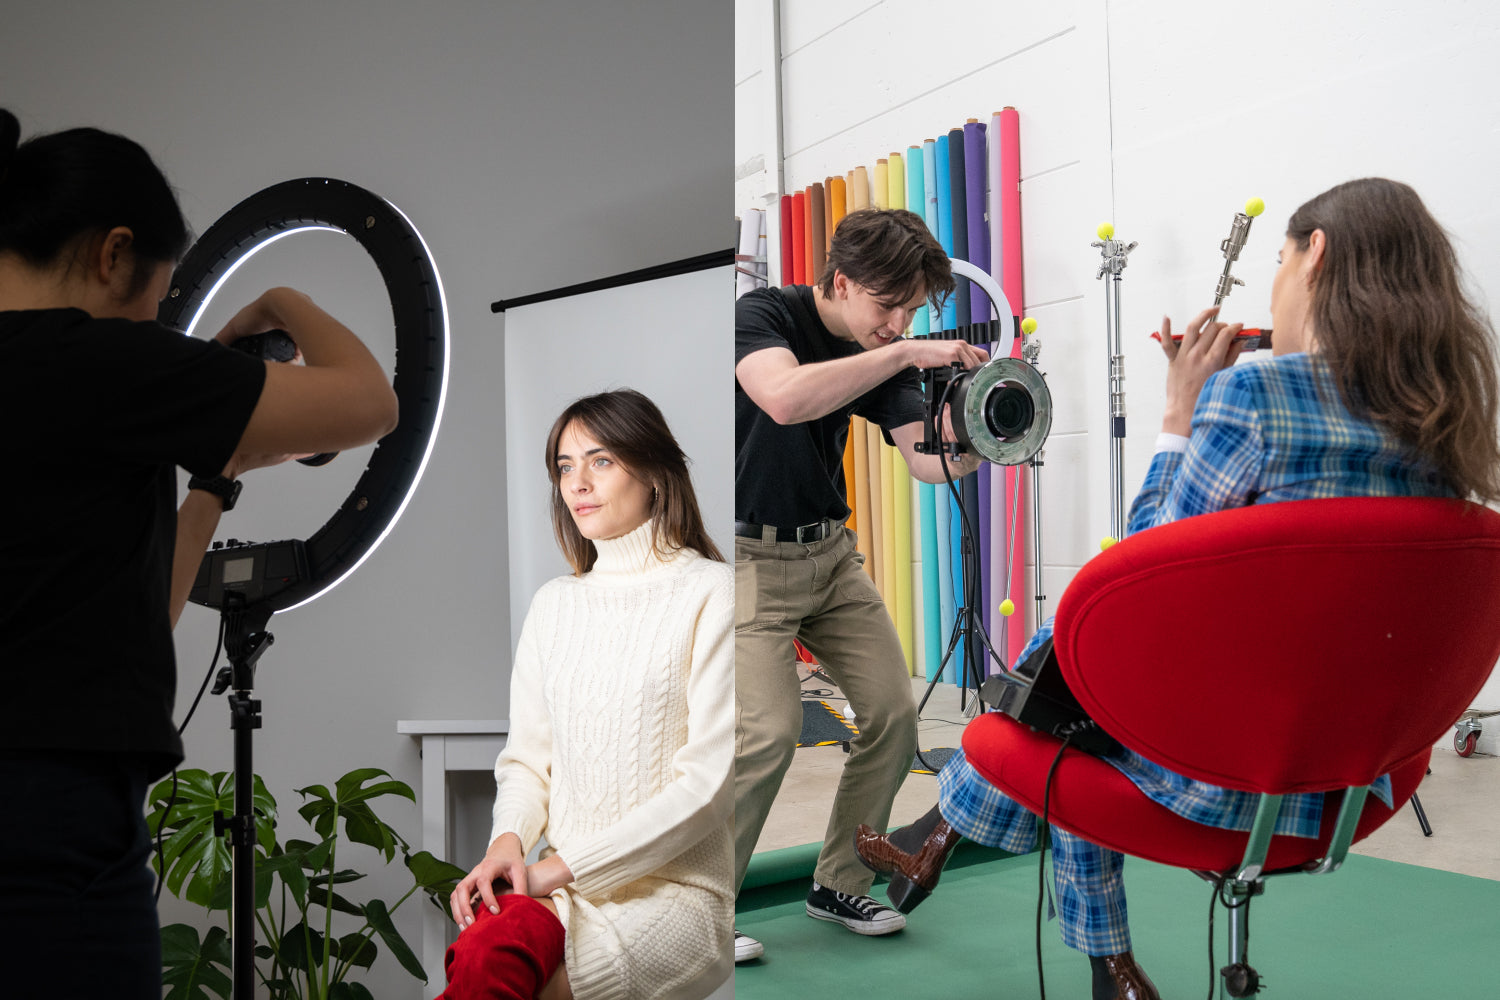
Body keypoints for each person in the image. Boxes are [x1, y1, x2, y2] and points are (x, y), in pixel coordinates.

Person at [853, 177, 1500, 1000]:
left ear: (1318, 256)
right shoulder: (1445, 420)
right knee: (1084, 690)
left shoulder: (1255, 394)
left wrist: (1179, 410)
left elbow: (1155, 554)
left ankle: (996, 876)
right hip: (1351, 775)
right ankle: (991, 883)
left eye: (1279, 259)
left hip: (1219, 773)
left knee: (1072, 694)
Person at [0, 109, 398, 996]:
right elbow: (369, 401)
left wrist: (211, 486)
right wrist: (279, 305)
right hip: (56, 826)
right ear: (112, 253)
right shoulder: (92, 361)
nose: (154, 329)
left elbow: (141, 619)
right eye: (157, 301)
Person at [733, 207, 992, 959]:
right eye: (888, 304)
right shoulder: (762, 315)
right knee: (767, 734)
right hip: (748, 560)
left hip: (829, 557)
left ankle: (838, 881)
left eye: (912, 309)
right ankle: (702, 905)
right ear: (841, 281)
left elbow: (926, 459)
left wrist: (977, 430)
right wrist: (906, 350)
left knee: (892, 715)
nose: (898, 321)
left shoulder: (878, 347)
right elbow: (782, 397)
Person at [442, 389, 734, 1000]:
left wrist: (549, 873)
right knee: (484, 953)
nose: (578, 483)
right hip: (564, 890)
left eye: (600, 461)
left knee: (506, 977)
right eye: (564, 467)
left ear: (654, 471)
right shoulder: (555, 605)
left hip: (678, 894)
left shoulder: (713, 592)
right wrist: (506, 847)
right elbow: (528, 762)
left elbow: (706, 786)